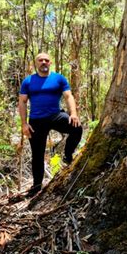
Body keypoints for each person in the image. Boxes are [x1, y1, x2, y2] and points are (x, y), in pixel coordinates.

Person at [18, 52, 82, 196]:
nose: (44, 62)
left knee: (76, 128)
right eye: (41, 60)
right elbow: (22, 102)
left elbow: (68, 96)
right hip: (36, 121)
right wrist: (24, 124)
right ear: (36, 63)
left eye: (46, 60)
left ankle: (68, 154)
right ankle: (36, 188)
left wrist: (73, 114)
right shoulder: (28, 81)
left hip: (55, 115)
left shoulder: (58, 78)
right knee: (37, 155)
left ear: (50, 63)